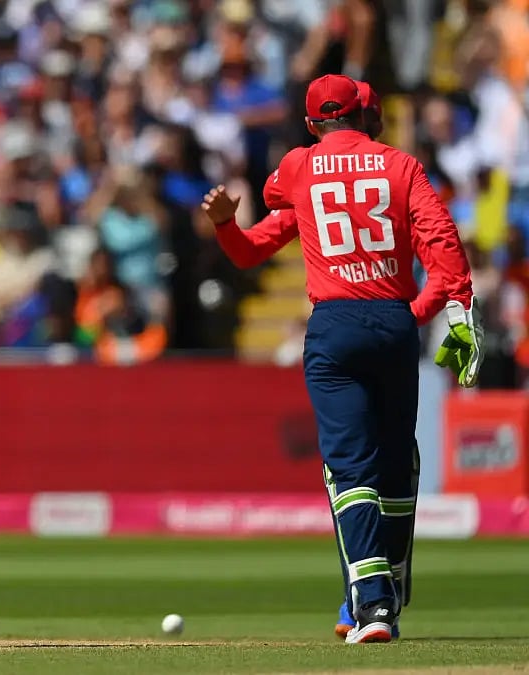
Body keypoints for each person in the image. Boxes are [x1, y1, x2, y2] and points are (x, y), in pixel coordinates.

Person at [203, 73, 481, 644]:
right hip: (394, 323)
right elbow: (442, 241)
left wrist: (225, 222)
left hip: (335, 327)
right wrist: (446, 308)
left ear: (311, 124)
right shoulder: (401, 166)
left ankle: (372, 606)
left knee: (349, 470)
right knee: (396, 464)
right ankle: (383, 596)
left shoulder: (301, 167)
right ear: (365, 114)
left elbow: (251, 248)